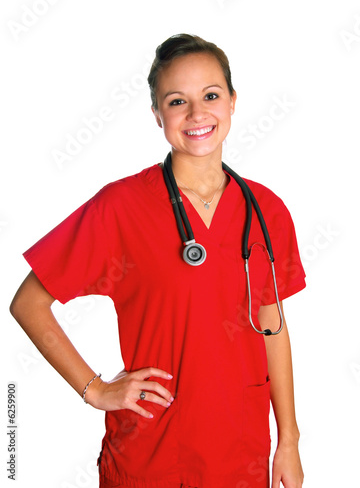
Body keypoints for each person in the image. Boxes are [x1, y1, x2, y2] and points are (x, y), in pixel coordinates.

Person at [10, 34, 306, 488]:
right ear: (157, 115)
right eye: (176, 101)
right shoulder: (121, 207)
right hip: (151, 455)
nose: (197, 114)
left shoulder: (267, 211)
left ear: (231, 102)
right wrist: (96, 389)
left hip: (240, 453)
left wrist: (289, 439)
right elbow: (28, 303)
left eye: (210, 96)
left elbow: (273, 326)